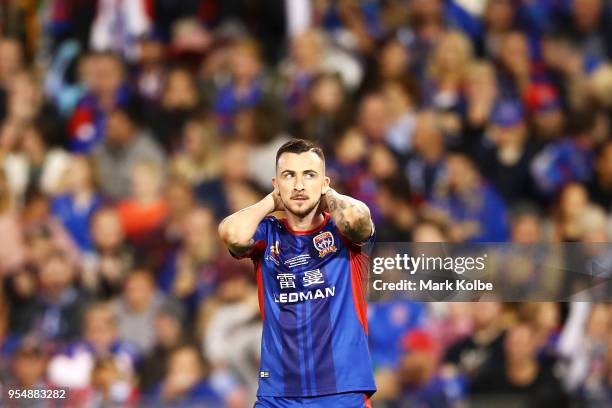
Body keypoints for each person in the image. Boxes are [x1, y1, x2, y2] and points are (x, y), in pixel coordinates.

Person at [219, 138, 376, 407]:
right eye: (289, 176)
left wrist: (329, 196)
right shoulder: (267, 234)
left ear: (325, 182)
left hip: (341, 390)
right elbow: (231, 233)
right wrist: (270, 202)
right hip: (278, 393)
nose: (299, 185)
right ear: (276, 184)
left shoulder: (341, 234)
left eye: (309, 175)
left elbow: (357, 219)